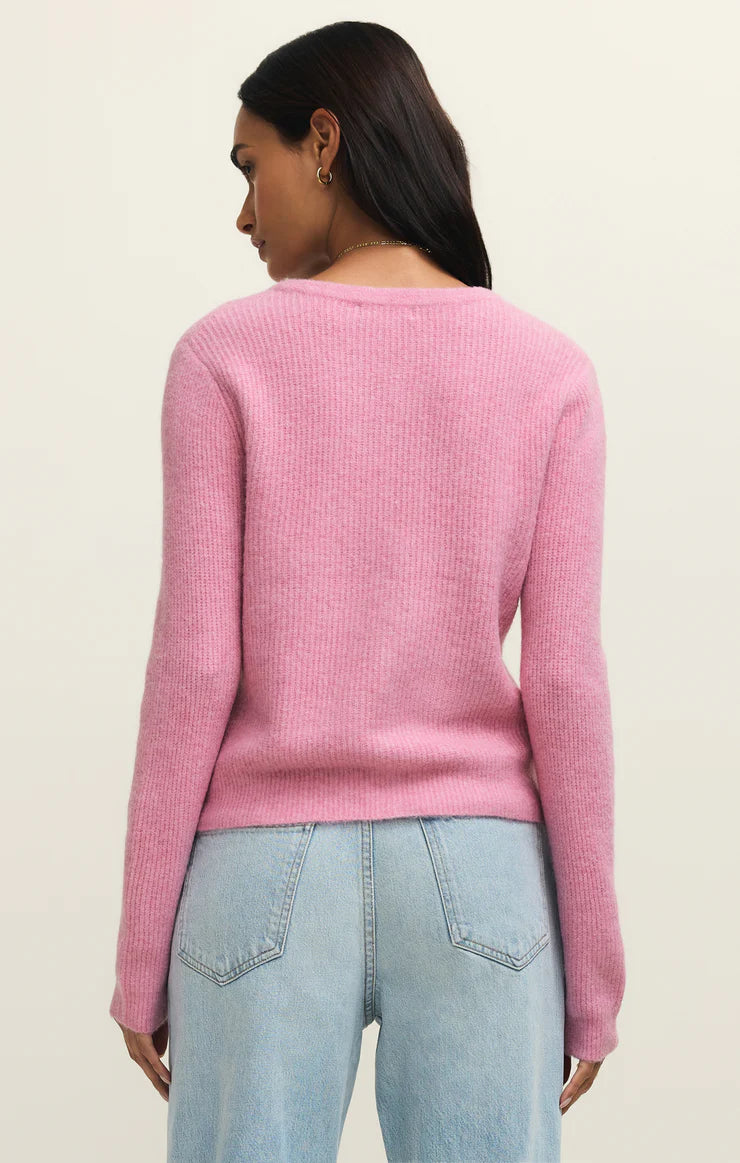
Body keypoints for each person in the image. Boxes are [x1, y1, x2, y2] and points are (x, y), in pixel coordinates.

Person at [109, 19, 626, 1163]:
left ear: (323, 141)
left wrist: (141, 950)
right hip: (482, 875)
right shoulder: (547, 371)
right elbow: (564, 682)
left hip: (259, 869)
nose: (243, 213)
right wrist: (593, 973)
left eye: (249, 166)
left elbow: (195, 664)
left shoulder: (223, 356)